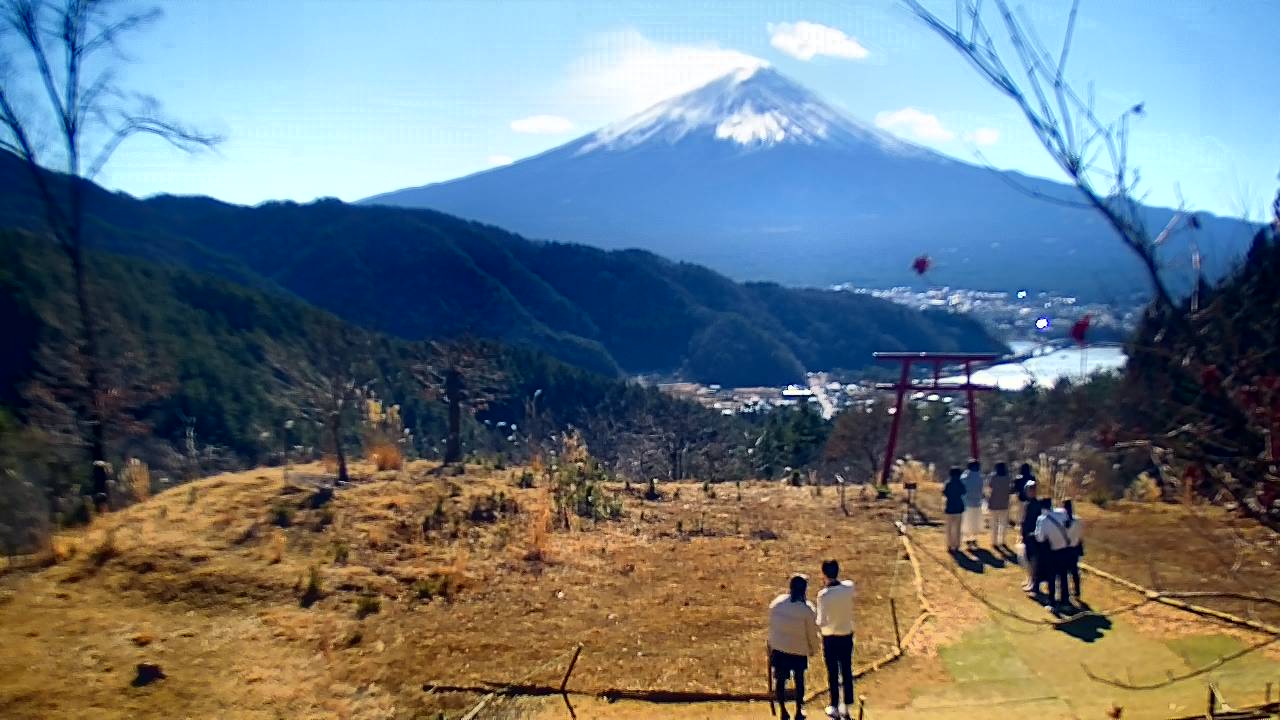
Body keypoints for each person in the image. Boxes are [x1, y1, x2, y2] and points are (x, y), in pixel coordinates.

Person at [768, 574, 820, 720]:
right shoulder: (807, 610)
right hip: (798, 650)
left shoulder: (777, 603)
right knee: (799, 680)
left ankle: (783, 710)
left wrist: (772, 645)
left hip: (780, 648)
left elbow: (772, 626)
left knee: (780, 680)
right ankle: (799, 709)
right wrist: (813, 650)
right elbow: (812, 634)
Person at [816, 560, 855, 720]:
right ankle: (846, 705)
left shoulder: (824, 595)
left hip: (830, 637)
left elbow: (821, 621)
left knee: (832, 672)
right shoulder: (849, 587)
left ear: (824, 573)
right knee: (846, 670)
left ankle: (834, 705)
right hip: (846, 634)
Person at [1034, 499, 1073, 610]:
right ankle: (1065, 601)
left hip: (1052, 551)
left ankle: (1052, 602)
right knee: (1063, 576)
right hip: (1065, 549)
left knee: (1052, 577)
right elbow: (1068, 522)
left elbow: (1039, 538)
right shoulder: (1061, 512)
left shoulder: (1042, 520)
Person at [1017, 481, 1043, 593]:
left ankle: (1034, 584)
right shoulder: (1028, 503)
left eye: (1031, 490)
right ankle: (1029, 580)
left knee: (1033, 560)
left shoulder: (1036, 504)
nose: (1029, 492)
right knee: (1028, 559)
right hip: (1027, 535)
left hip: (1033, 536)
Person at [1061, 499, 1084, 603]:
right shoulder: (1078, 521)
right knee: (1074, 571)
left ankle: (1066, 594)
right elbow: (1080, 536)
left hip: (1065, 549)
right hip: (1075, 549)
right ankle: (1077, 591)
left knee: (1064, 572)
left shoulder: (1062, 522)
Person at [960, 459, 984, 548]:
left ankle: (967, 538)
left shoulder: (964, 476)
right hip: (977, 502)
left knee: (966, 521)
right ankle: (974, 538)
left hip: (966, 502)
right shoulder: (980, 477)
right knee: (975, 522)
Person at [987, 462, 1012, 548]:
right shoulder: (1007, 477)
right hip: (1004, 503)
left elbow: (990, 488)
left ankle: (994, 542)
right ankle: (1002, 541)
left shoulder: (993, 477)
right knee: (1003, 524)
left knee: (994, 523)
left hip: (994, 502)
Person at [943, 467, 965, 552]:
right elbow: (964, 492)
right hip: (959, 507)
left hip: (949, 507)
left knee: (949, 528)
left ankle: (949, 545)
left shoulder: (948, 484)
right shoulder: (960, 483)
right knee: (958, 528)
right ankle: (957, 545)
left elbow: (945, 493)